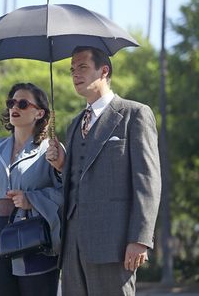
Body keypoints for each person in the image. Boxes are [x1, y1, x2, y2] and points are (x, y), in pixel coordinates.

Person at [46, 46, 161, 295]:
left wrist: (140, 238)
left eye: (83, 67)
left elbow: (148, 181)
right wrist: (62, 165)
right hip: (72, 244)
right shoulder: (74, 124)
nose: (75, 74)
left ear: (104, 71)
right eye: (72, 70)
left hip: (114, 243)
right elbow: (78, 179)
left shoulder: (135, 114)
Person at [0, 82, 63, 296]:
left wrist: (32, 199)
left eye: (22, 103)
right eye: (12, 102)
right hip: (0, 232)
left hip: (36, 234)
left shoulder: (52, 150)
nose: (15, 108)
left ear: (39, 113)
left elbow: (67, 195)